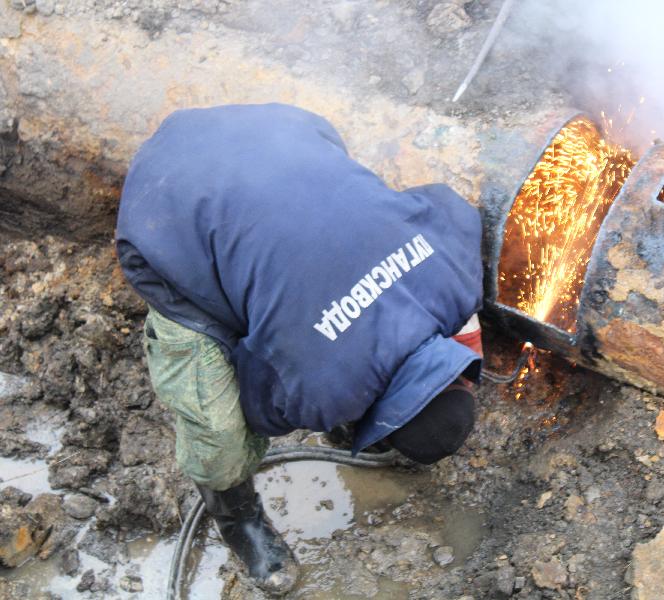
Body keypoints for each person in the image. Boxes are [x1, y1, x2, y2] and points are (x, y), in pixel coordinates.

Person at [115, 104, 484, 595]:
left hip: (282, 130)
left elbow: (450, 208)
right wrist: (335, 393)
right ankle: (238, 519)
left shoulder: (456, 275)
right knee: (220, 432)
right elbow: (259, 407)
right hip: (164, 212)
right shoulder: (318, 391)